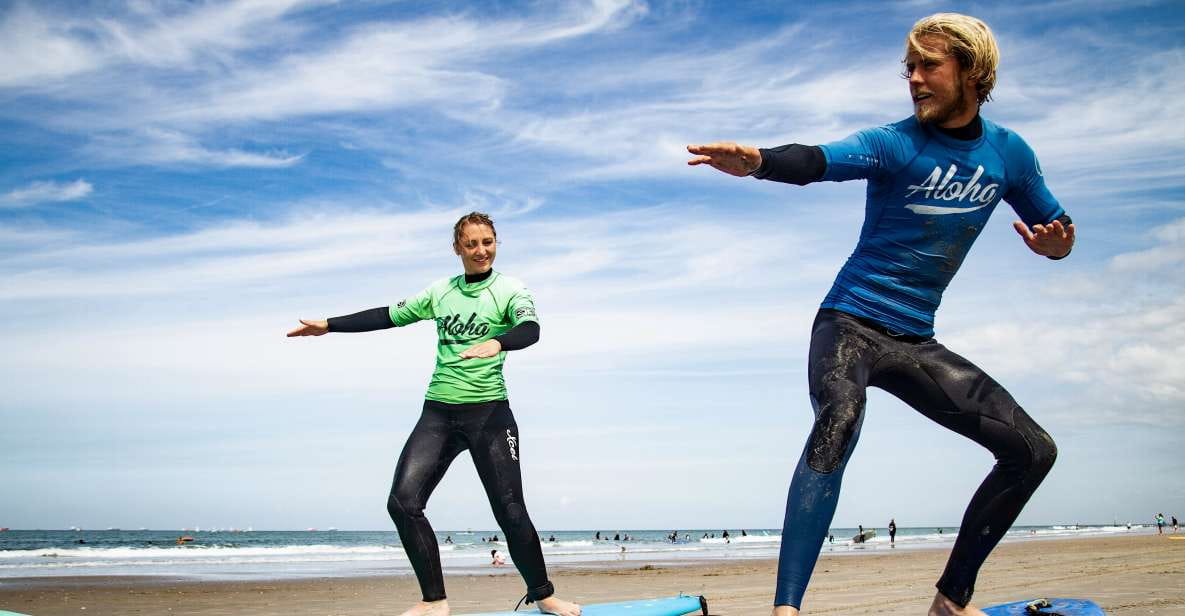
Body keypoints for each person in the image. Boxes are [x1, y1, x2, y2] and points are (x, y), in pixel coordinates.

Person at [688, 13, 1071, 616]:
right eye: (909, 68)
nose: (914, 79)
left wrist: (1057, 246)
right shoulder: (896, 142)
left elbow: (1057, 226)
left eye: (929, 66)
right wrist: (759, 160)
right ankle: (786, 609)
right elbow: (821, 160)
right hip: (848, 324)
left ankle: (951, 600)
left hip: (916, 340)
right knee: (840, 417)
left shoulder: (1009, 154)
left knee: (1032, 450)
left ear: (973, 72)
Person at [287, 212, 580, 616]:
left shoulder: (511, 289)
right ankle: (434, 602)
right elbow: (388, 314)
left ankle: (543, 595)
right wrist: (330, 325)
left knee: (509, 510)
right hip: (439, 413)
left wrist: (498, 342)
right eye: (472, 243)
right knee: (402, 502)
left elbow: (531, 329)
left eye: (488, 242)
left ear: (497, 243)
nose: (481, 250)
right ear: (457, 247)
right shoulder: (440, 292)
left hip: (490, 415)